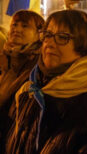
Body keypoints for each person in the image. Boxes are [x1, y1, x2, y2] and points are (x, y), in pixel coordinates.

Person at [6, 10, 87, 154]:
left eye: (62, 37)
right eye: (47, 35)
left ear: (84, 46)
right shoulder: (29, 90)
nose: (49, 43)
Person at [0, 10, 44, 152]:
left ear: (39, 34)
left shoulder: (41, 65)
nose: (17, 29)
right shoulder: (5, 60)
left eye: (25, 26)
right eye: (15, 24)